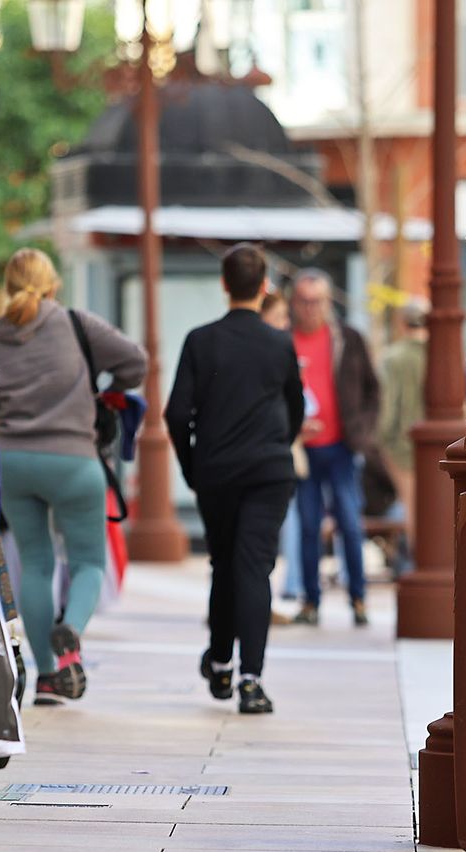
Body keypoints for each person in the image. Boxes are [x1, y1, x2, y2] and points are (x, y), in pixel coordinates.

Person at [0, 249, 147, 704]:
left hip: (11, 462)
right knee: (88, 562)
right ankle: (71, 630)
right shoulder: (77, 324)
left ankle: (48, 676)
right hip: (73, 461)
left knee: (33, 563)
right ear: (53, 285)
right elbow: (135, 362)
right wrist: (106, 391)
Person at [167, 244, 305, 714]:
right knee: (253, 567)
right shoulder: (280, 343)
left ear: (224, 284)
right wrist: (274, 446)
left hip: (217, 472)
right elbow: (296, 408)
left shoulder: (201, 341)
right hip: (268, 471)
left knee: (224, 564)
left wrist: (192, 467)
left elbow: (176, 412)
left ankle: (222, 661)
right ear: (264, 285)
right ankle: (250, 679)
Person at [289, 269, 381, 628]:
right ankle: (310, 601)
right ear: (294, 302)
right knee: (308, 525)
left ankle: (358, 599)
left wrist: (363, 431)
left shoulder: (348, 339)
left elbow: (373, 389)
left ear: (329, 302)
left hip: (342, 446)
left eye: (318, 301)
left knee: (349, 522)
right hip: (302, 450)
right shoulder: (283, 340)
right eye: (304, 301)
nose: (310, 308)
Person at [375, 300, 428, 571]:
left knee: (411, 508)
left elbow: (387, 406)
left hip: (401, 445)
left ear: (402, 323)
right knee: (434, 509)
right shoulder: (445, 354)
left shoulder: (392, 357)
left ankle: (417, 567)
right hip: (438, 445)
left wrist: (381, 440)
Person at [260, 292, 304, 613]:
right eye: (279, 317)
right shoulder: (277, 350)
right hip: (268, 458)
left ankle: (276, 594)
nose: (285, 324)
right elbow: (295, 404)